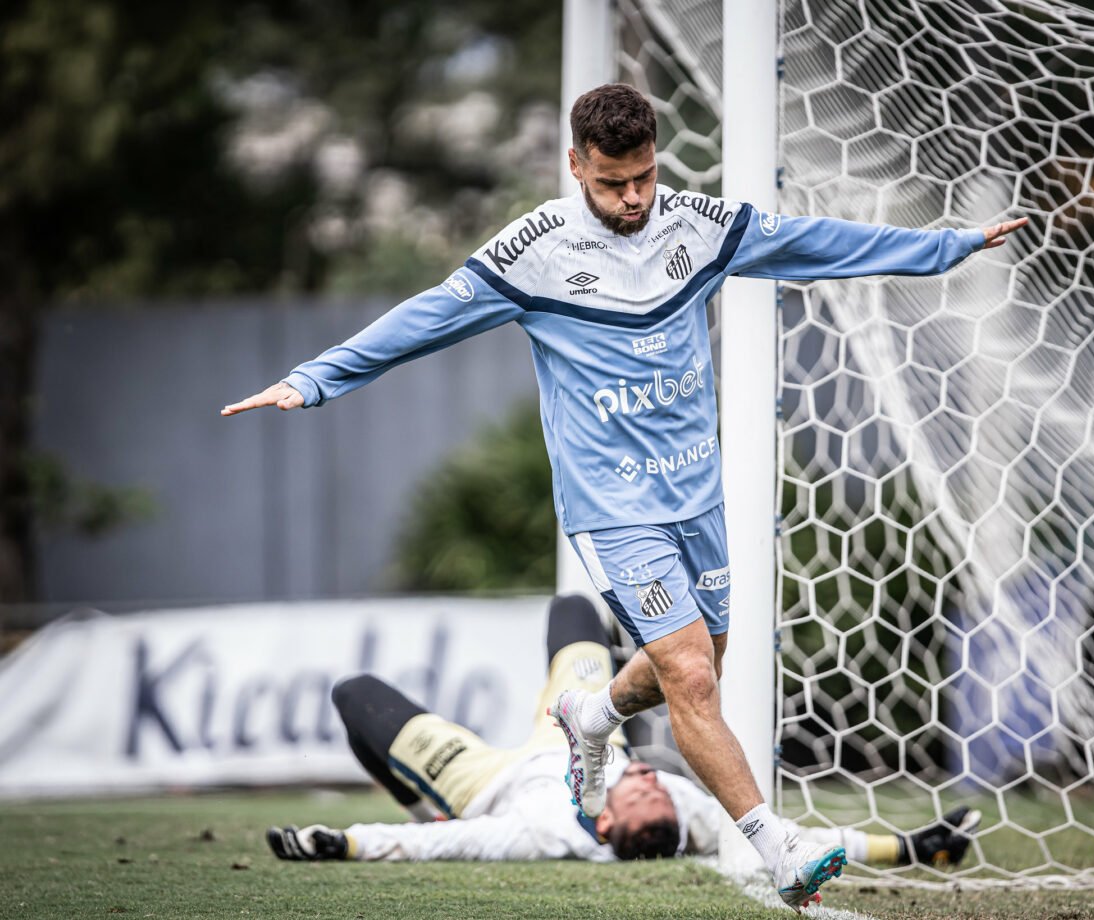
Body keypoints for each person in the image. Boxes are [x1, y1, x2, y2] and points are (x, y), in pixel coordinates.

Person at [224, 83, 1024, 911]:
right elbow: (423, 318)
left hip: (696, 492)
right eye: (612, 184)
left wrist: (944, 247)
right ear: (575, 166)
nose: (634, 198)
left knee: (705, 658)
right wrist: (314, 379)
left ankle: (593, 712)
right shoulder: (530, 254)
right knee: (692, 678)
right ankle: (775, 845)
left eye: (644, 177)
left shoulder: (697, 225)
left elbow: (813, 243)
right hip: (614, 506)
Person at [267, 594, 981, 873]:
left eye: (640, 791)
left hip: (486, 781)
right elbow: (803, 841)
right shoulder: (689, 809)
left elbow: (442, 846)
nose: (648, 776)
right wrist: (913, 847)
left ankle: (427, 793)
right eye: (652, 784)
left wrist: (345, 843)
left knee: (355, 695)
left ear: (605, 825)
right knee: (574, 610)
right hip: (579, 732)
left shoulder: (545, 832)